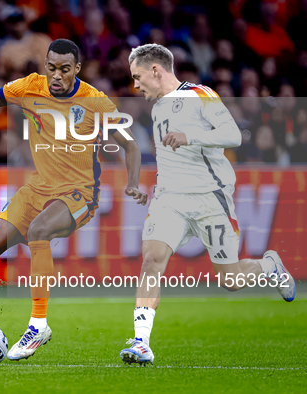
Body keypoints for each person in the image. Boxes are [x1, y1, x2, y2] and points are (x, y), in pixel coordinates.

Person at [0, 39, 147, 360]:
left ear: (77, 69)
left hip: (80, 191)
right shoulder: (30, 86)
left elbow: (130, 145)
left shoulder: (95, 101)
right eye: (51, 68)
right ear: (44, 65)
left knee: (38, 232)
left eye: (64, 69)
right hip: (38, 188)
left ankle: (38, 325)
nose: (57, 75)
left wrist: (133, 183)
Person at [120, 44, 296, 366]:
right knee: (151, 260)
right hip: (169, 198)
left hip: (209, 199)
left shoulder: (201, 94)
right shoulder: (158, 107)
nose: (135, 85)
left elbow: (234, 135)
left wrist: (190, 136)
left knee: (230, 280)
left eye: (138, 77)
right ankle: (141, 342)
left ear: (156, 70)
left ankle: (270, 266)